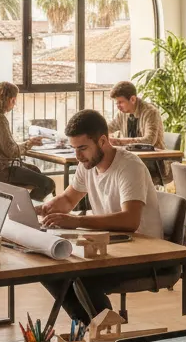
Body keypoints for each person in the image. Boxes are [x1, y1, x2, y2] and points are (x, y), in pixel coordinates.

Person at [38, 109, 163, 324]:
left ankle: (109, 330)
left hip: (144, 251)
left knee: (81, 276)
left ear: (103, 140)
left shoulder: (129, 166)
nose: (78, 156)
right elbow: (68, 200)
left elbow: (130, 221)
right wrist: (41, 209)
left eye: (83, 148)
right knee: (49, 269)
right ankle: (90, 325)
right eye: (74, 148)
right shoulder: (87, 165)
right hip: (112, 245)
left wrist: (77, 222)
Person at [0, 81, 55, 201]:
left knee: (35, 170)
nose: (14, 104)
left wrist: (25, 143)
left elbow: (1, 144)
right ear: (11, 100)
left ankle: (22, 206)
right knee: (48, 184)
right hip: (2, 171)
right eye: (14, 100)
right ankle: (27, 211)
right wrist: (29, 143)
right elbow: (11, 152)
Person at [108, 80, 170, 185]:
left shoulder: (150, 112)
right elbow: (109, 127)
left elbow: (149, 140)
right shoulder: (122, 114)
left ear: (132, 99)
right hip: (130, 161)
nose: (118, 106)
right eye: (116, 103)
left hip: (152, 164)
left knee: (114, 175)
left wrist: (118, 141)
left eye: (121, 102)